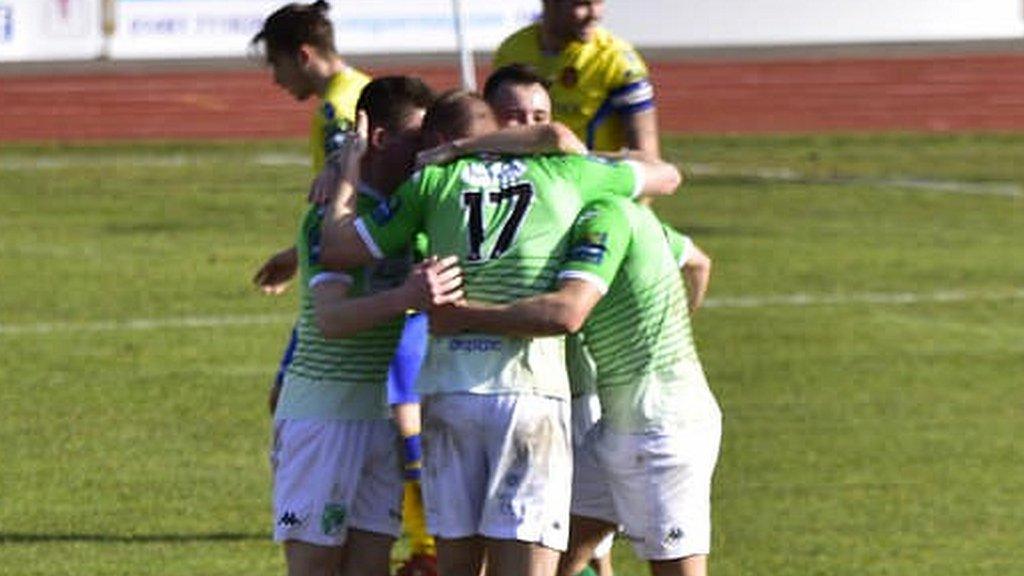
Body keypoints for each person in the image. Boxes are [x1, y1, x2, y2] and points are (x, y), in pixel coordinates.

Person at [315, 90, 682, 576]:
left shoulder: (430, 182)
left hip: (450, 394)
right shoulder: (568, 172)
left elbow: (337, 249)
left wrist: (346, 171)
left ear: (439, 140)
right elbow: (667, 175)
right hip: (528, 393)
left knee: (458, 566)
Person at [429, 196, 722, 576]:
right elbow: (699, 263)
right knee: (551, 554)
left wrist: (464, 316)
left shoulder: (606, 216)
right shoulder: (630, 216)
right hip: (614, 429)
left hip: (663, 430)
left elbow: (567, 312)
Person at [250, 5, 439, 570]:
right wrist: (406, 296)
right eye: (416, 139)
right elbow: (331, 319)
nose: (427, 153)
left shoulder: (413, 211)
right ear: (379, 139)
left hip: (372, 418)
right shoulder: (329, 220)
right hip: (323, 420)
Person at [493, 0, 659, 156]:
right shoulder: (512, 50)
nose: (594, 14)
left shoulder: (617, 61)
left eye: (599, 2)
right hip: (528, 178)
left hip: (589, 182)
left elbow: (646, 156)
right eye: (582, 3)